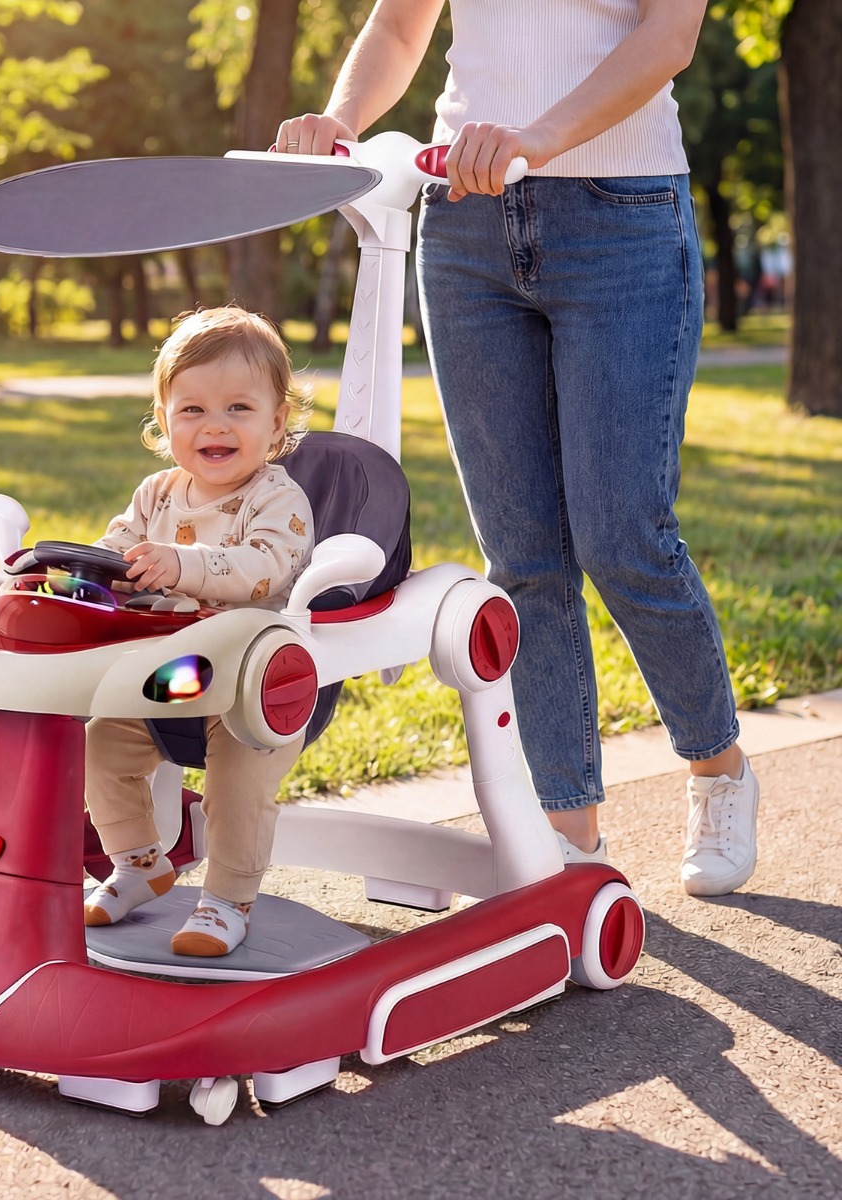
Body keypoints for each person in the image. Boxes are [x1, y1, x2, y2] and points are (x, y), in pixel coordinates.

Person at [276, 0, 759, 897]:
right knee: (524, 556)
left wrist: (535, 137)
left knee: (626, 538)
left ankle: (718, 767)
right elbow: (396, 28)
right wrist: (341, 122)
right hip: (464, 226)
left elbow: (668, 38)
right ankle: (567, 829)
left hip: (622, 217)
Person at [83, 306, 315, 954]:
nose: (215, 425)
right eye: (192, 411)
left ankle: (227, 899)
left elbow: (266, 569)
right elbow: (119, 546)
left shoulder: (276, 498)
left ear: (276, 423)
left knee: (237, 782)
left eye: (239, 408)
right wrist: (97, 571)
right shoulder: (157, 494)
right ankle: (138, 864)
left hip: (255, 685)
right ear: (163, 422)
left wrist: (180, 564)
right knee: (102, 744)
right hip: (168, 677)